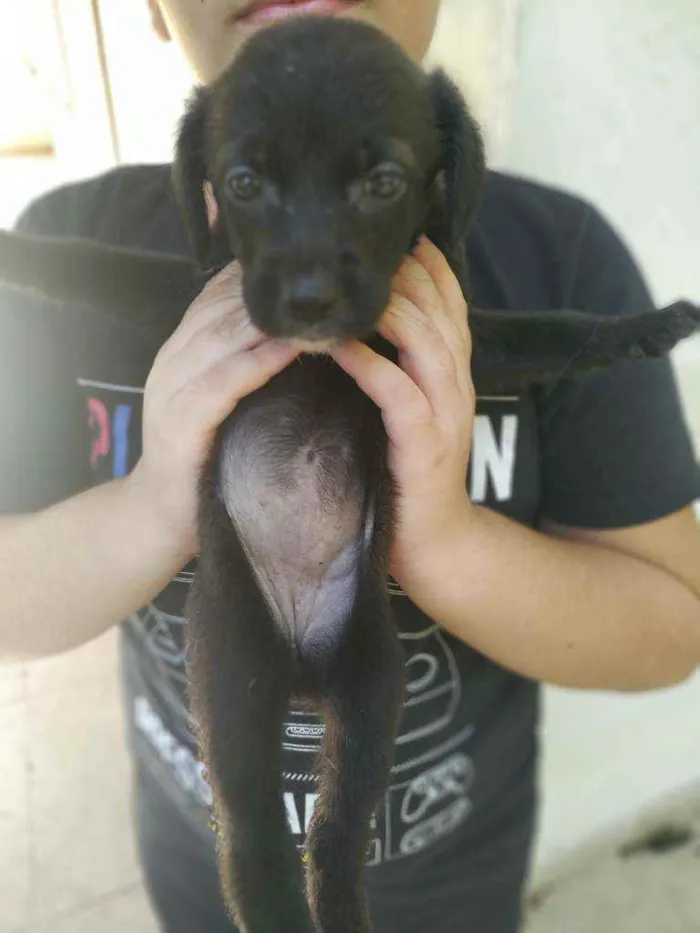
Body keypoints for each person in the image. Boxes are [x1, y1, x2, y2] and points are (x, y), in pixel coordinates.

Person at [1, 1, 699, 930]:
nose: (311, 269)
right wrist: (155, 501)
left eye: (375, 181)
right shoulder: (76, 231)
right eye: (250, 182)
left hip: (455, 884)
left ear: (449, 173)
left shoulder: (562, 261)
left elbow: (672, 625)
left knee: (366, 712)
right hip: (198, 869)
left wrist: (442, 539)